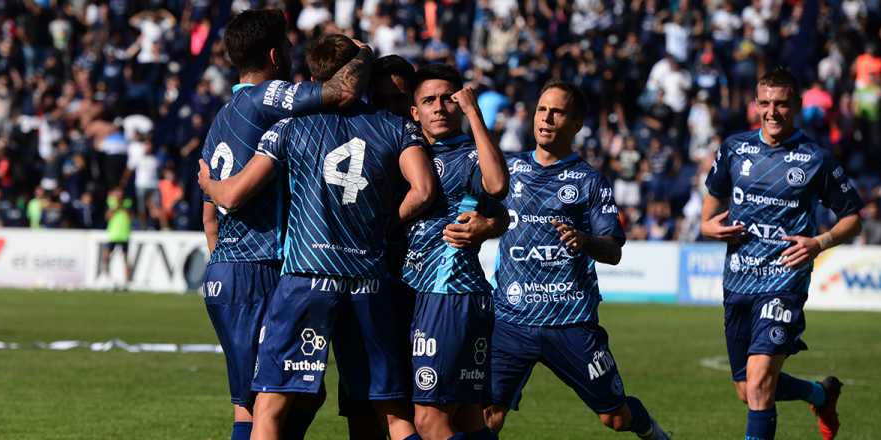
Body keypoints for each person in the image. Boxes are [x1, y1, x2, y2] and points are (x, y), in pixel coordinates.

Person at [199, 34, 436, 440]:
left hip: (307, 276)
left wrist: (208, 184)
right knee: (393, 413)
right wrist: (380, 224)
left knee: (269, 408)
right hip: (367, 277)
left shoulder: (289, 127)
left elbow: (235, 194)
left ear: (311, 77)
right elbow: (425, 191)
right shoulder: (395, 126)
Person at [483, 80, 671, 440]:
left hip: (570, 321)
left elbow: (613, 251)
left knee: (614, 418)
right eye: (542, 109)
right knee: (488, 415)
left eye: (558, 112)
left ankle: (653, 433)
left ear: (576, 124)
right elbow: (487, 219)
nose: (547, 118)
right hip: (510, 319)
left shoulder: (588, 181)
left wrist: (584, 240)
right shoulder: (507, 170)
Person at [700, 68, 864, 440]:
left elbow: (853, 219)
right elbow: (709, 210)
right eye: (765, 103)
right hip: (738, 280)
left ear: (797, 106)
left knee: (759, 383)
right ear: (756, 104)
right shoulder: (734, 148)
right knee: (748, 390)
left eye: (782, 104)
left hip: (784, 281)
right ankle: (820, 395)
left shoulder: (816, 158)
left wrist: (819, 242)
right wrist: (709, 227)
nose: (772, 112)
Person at [402, 63, 509, 440]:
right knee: (466, 417)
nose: (439, 107)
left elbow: (496, 188)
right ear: (415, 112)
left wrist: (475, 115)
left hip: (447, 294)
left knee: (430, 420)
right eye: (428, 101)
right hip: (440, 295)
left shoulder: (469, 155)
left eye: (448, 99)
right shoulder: (410, 154)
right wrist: (494, 223)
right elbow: (501, 216)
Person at [101, 187, 132, 290]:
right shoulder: (111, 203)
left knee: (126, 258)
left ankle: (127, 282)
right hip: (113, 234)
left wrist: (123, 207)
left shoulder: (128, 203)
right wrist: (116, 207)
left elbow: (130, 217)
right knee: (106, 257)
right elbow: (107, 217)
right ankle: (106, 277)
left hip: (124, 234)